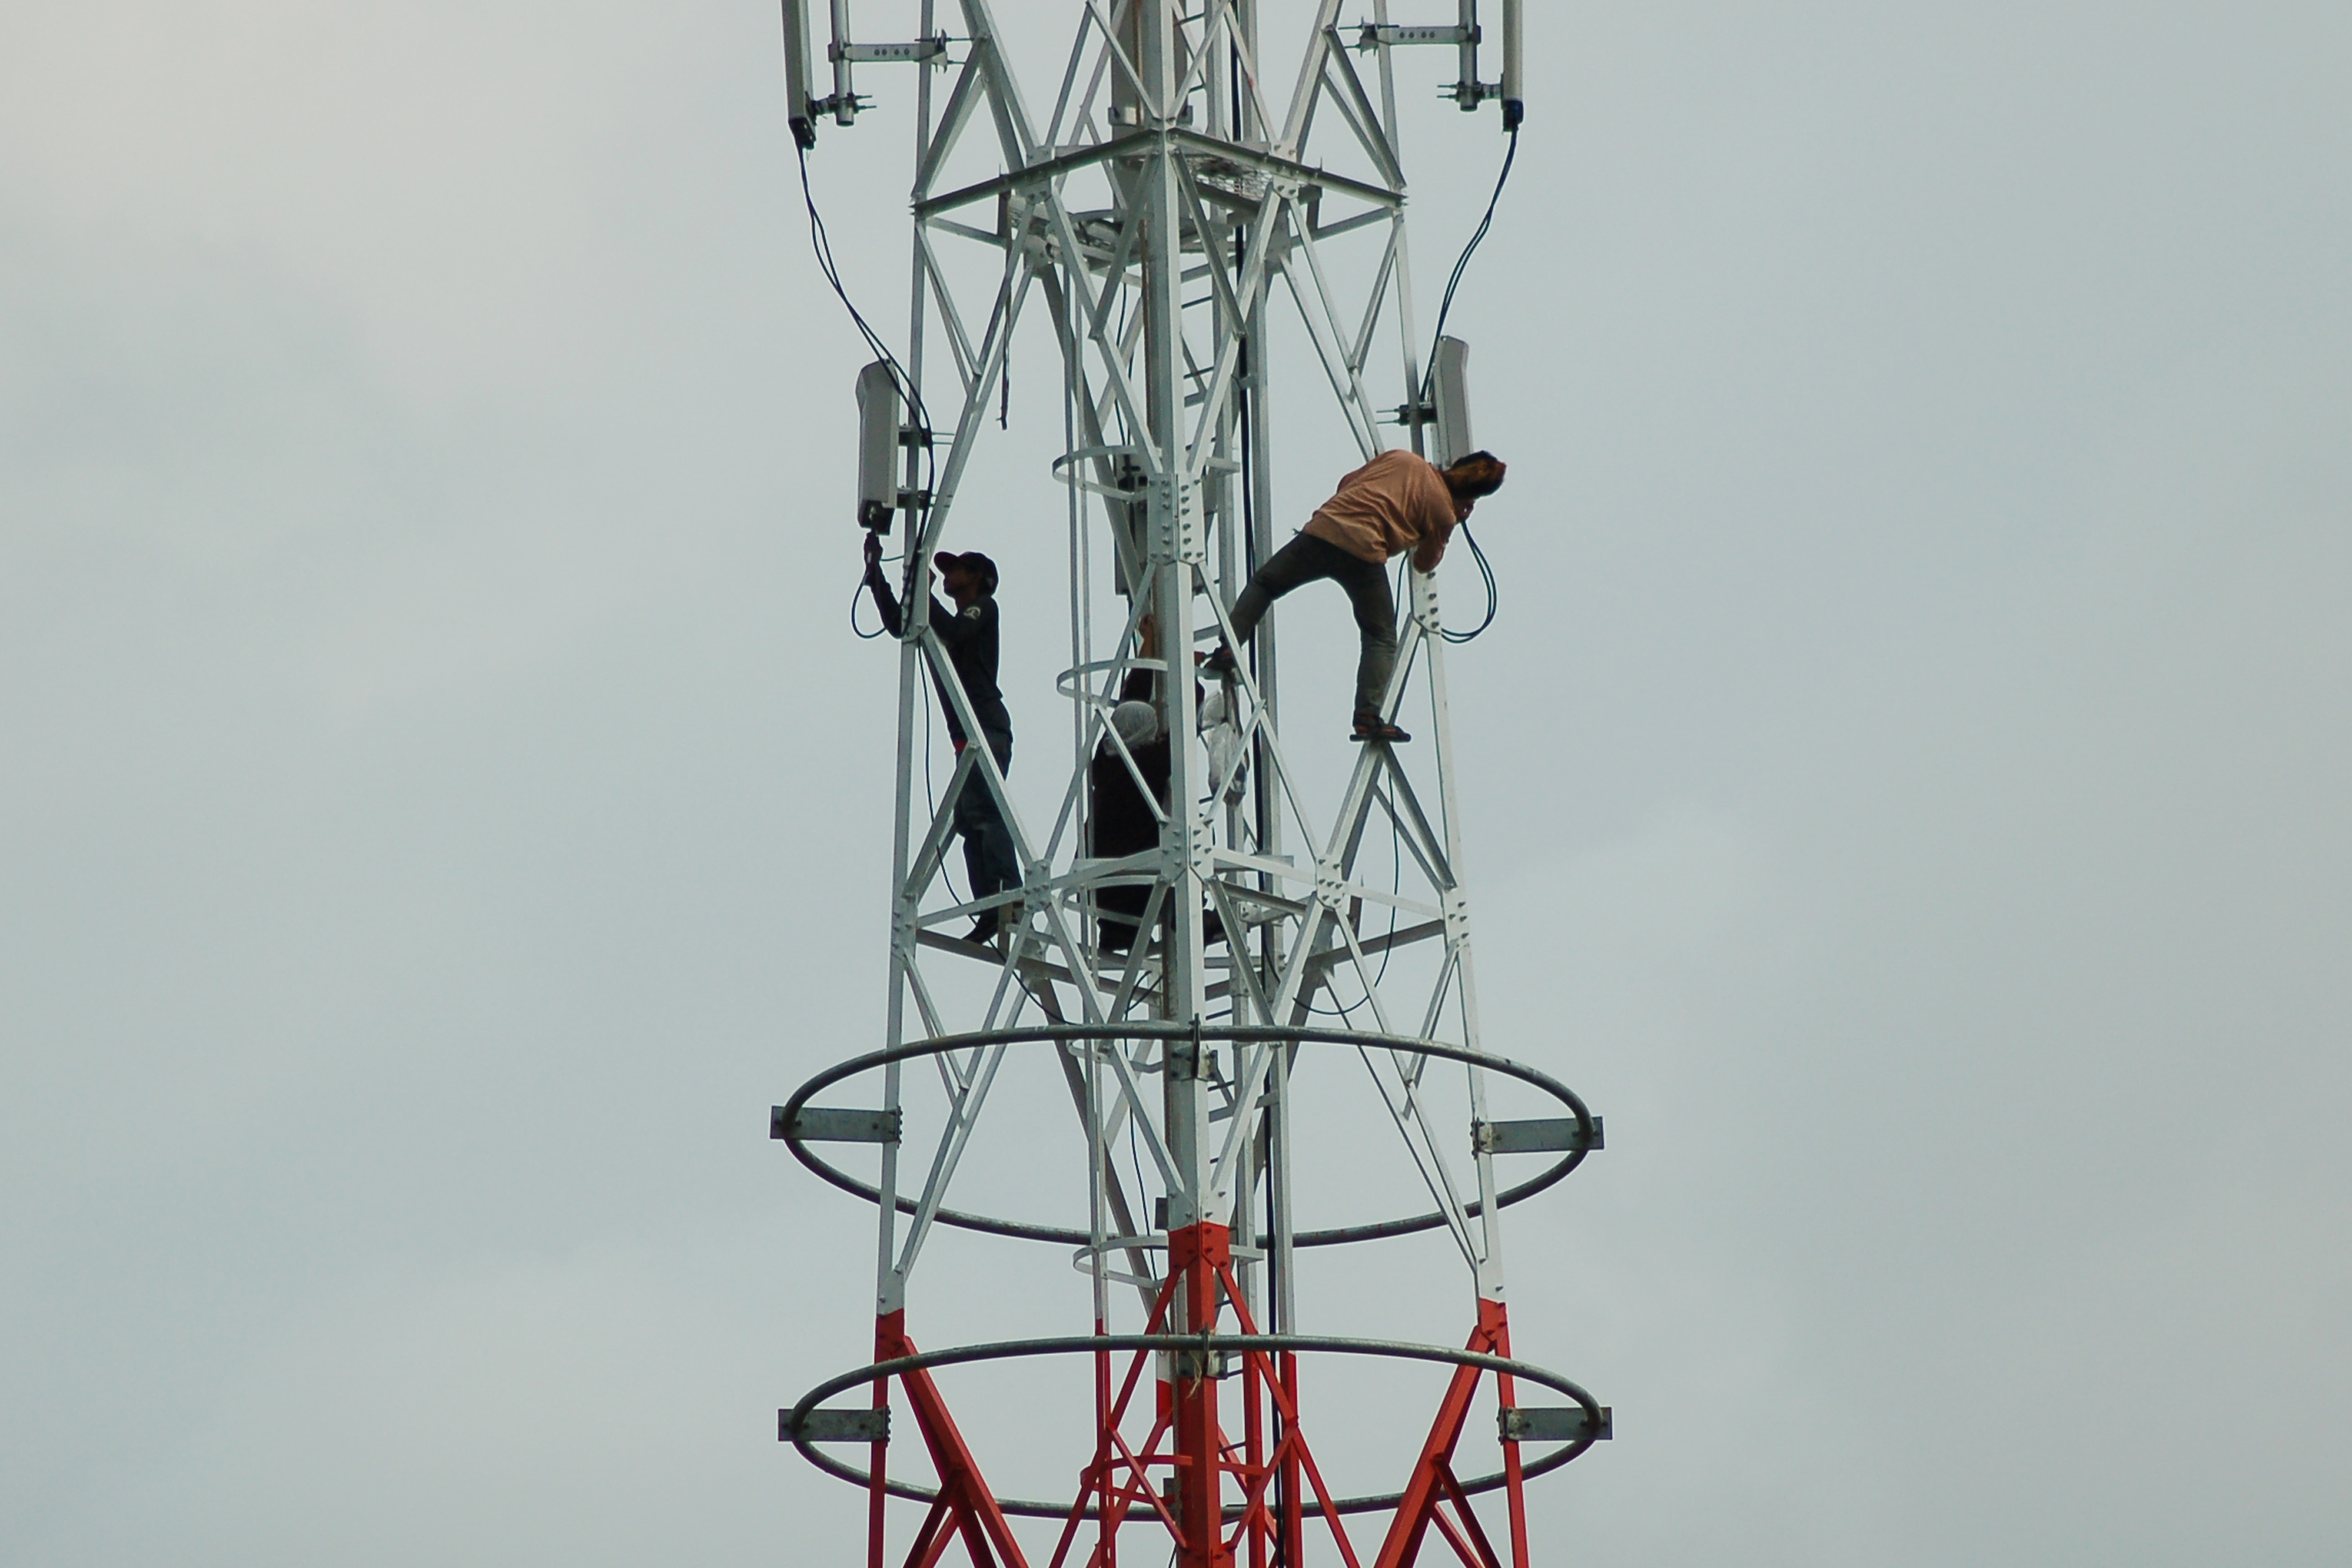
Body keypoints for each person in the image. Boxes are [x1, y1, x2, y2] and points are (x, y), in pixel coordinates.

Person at [1207, 448, 1506, 742]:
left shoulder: (1403, 458)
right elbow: (1423, 563)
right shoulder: (1444, 514)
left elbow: (1346, 482)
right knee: (1380, 636)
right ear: (1474, 497)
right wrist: (1452, 518)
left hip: (1325, 530)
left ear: (1457, 463)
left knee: (1266, 583)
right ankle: (1367, 716)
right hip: (1365, 555)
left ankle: (1229, 646)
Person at [862, 533, 1018, 942]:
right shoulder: (946, 619)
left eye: (958, 569)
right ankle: (990, 904)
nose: (949, 575)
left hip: (985, 726)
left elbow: (951, 630)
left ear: (980, 578)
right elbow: (901, 624)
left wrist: (922, 590)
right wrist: (876, 575)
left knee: (984, 813)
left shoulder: (983, 609)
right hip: (968, 735)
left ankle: (1009, 895)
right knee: (969, 820)